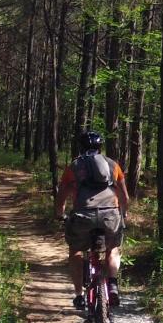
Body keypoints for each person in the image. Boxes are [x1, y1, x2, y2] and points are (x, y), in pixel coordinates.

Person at [55, 131, 130, 312]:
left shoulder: (74, 167)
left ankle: (79, 295)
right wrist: (123, 213)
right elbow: (124, 196)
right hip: (110, 215)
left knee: (76, 250)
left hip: (83, 216)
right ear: (100, 147)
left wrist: (59, 213)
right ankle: (112, 285)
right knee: (113, 249)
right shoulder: (113, 165)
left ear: (81, 147)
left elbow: (62, 195)